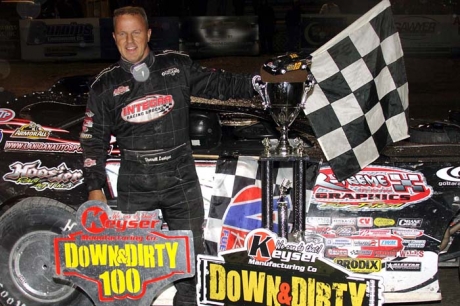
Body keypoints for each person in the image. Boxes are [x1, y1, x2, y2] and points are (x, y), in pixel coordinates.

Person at [79, 6, 255, 306]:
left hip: (180, 178)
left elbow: (221, 85)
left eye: (136, 32)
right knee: (132, 262)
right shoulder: (104, 86)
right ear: (113, 37)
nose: (130, 40)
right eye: (122, 33)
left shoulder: (176, 66)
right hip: (135, 180)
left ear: (148, 34)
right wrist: (95, 187)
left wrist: (257, 82)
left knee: (191, 259)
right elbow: (92, 142)